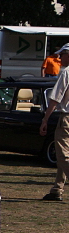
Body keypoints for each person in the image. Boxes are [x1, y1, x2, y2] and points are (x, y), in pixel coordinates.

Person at [40, 44, 69, 201]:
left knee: (63, 156)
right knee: (65, 154)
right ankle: (57, 188)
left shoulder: (66, 73)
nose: (59, 58)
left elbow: (55, 99)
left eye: (62, 55)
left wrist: (45, 119)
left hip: (66, 118)